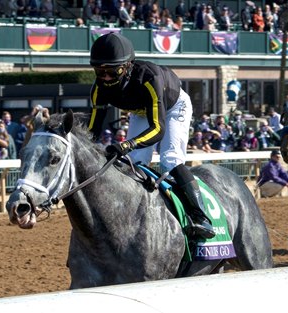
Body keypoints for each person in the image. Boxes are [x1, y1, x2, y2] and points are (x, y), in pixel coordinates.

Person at [87, 32, 215, 239]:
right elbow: (92, 131)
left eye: (112, 71)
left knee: (170, 160)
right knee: (134, 163)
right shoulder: (98, 89)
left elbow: (158, 129)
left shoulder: (149, 78)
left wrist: (127, 144)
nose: (105, 77)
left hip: (173, 107)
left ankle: (201, 217)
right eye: (99, 71)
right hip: (141, 111)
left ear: (127, 66)